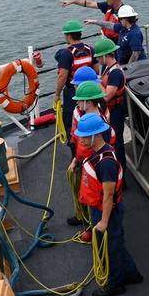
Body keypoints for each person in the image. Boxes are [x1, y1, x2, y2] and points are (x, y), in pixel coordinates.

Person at [74, 112, 142, 296]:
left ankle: (115, 283)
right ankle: (131, 272)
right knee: (116, 242)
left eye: (84, 136)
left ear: (96, 136)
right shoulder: (98, 155)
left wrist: (104, 220)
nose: (81, 139)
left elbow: (109, 194)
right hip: (101, 209)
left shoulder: (106, 163)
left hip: (107, 212)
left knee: (110, 247)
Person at [67, 80, 118, 227]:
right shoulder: (91, 120)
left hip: (95, 170)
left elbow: (107, 193)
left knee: (98, 199)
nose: (77, 105)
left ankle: (96, 223)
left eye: (80, 101)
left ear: (88, 103)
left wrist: (104, 221)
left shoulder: (101, 128)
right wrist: (76, 160)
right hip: (88, 163)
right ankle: (89, 221)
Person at [53, 20, 96, 140]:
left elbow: (63, 76)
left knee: (71, 118)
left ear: (69, 36)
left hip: (73, 91)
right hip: (89, 89)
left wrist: (57, 95)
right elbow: (96, 70)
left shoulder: (67, 54)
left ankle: (74, 145)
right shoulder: (90, 49)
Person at [94, 37, 128, 175]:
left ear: (105, 55)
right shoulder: (107, 68)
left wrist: (96, 83)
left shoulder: (115, 73)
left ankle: (121, 176)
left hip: (116, 112)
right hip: (110, 112)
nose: (98, 60)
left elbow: (108, 96)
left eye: (99, 57)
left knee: (118, 144)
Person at [61, 0, 125, 44]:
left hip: (120, 42)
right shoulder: (107, 6)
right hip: (109, 41)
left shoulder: (125, 11)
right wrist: (73, 2)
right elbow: (90, 3)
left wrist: (95, 22)